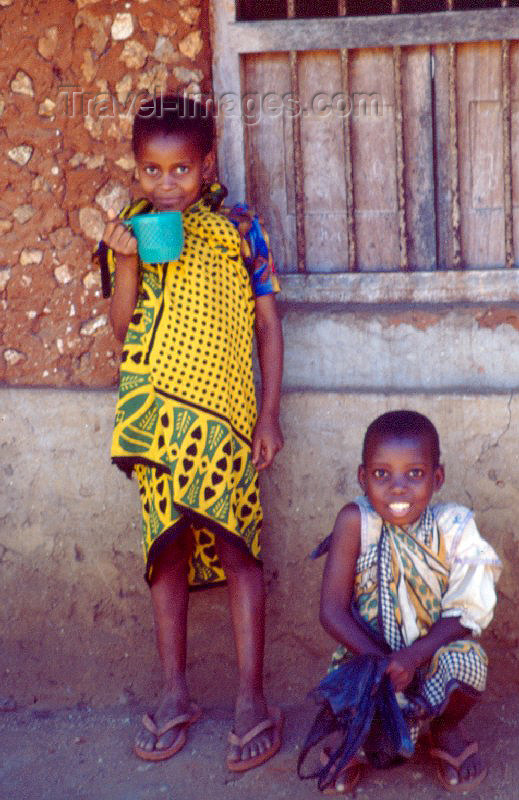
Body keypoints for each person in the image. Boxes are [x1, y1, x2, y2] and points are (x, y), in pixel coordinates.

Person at [95, 94, 284, 770]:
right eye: (151, 170)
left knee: (238, 551)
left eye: (180, 170)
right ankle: (174, 692)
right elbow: (122, 331)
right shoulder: (129, 231)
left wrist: (267, 415)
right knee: (165, 555)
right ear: (136, 169)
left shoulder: (240, 229)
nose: (166, 184)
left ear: (205, 165)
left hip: (228, 423)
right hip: (156, 425)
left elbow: (266, 323)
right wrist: (124, 259)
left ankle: (251, 698)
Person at [317, 410, 501, 794]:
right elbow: (331, 611)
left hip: (428, 658)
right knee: (356, 686)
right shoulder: (356, 521)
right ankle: (356, 734)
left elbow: (466, 613)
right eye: (382, 475)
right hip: (367, 658)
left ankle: (443, 727)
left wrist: (414, 657)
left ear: (437, 478)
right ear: (362, 477)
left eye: (414, 474)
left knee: (468, 662)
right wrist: (383, 663)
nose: (397, 488)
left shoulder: (453, 526)